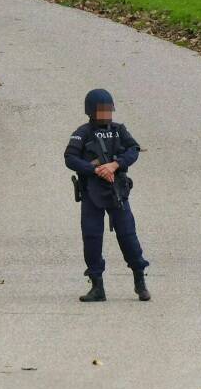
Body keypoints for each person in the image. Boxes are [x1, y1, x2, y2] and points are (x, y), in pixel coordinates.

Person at [64, 89, 151, 302]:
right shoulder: (82, 132)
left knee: (128, 235)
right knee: (92, 238)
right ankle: (97, 287)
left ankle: (140, 281)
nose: (106, 114)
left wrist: (114, 165)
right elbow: (70, 158)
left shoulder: (119, 130)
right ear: (91, 111)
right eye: (101, 111)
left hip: (117, 192)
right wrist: (94, 169)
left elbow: (133, 149)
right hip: (91, 192)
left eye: (108, 110)